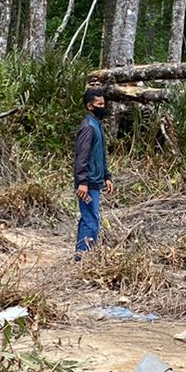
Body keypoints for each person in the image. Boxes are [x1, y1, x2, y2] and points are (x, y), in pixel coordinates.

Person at [73, 86, 112, 256]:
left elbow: (99, 154)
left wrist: (107, 176)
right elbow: (82, 156)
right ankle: (84, 258)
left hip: (95, 181)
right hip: (88, 183)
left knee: (88, 218)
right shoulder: (89, 127)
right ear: (90, 106)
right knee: (91, 221)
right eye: (99, 104)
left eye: (104, 103)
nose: (103, 106)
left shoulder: (96, 125)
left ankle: (82, 255)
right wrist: (82, 182)